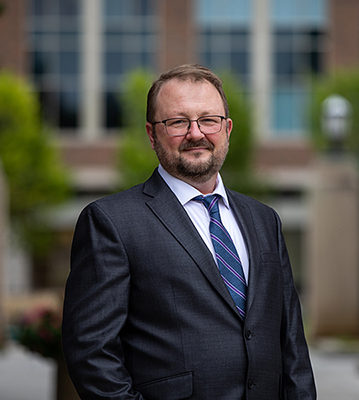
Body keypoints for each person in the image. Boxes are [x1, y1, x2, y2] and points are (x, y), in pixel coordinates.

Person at [62, 64, 316, 400]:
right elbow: (90, 351)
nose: (196, 133)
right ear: (152, 134)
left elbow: (292, 344)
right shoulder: (111, 222)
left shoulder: (264, 219)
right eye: (179, 122)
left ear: (227, 129)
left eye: (208, 120)